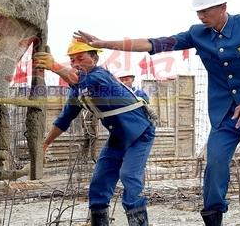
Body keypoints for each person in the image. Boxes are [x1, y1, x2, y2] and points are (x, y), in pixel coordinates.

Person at [74, 0, 240, 226]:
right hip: (225, 116)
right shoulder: (198, 34)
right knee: (215, 165)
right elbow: (156, 43)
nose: (200, 16)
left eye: (205, 11)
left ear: (223, 8)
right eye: (198, 11)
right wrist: (104, 42)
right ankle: (213, 217)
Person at [34, 40, 155, 226]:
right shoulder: (77, 92)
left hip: (140, 134)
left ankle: (140, 223)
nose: (75, 63)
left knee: (129, 176)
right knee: (99, 182)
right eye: (72, 60)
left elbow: (78, 79)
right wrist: (46, 143)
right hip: (119, 136)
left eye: (81, 58)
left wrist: (53, 65)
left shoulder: (100, 76)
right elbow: (65, 119)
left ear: (95, 58)